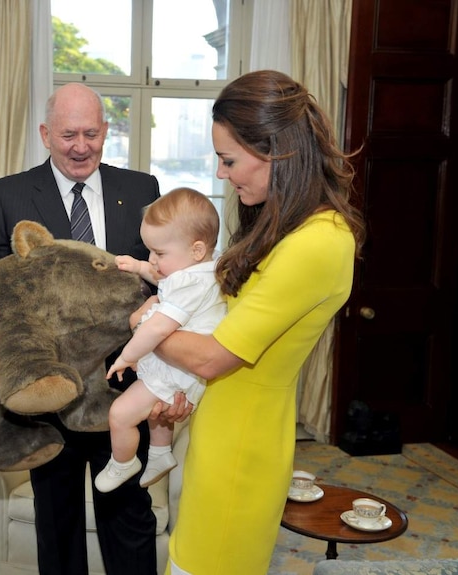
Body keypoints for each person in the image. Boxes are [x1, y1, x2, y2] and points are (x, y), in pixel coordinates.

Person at [150, 70, 366, 574]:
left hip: (241, 451)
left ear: (277, 151)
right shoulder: (289, 228)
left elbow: (211, 355)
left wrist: (147, 324)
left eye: (229, 160)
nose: (222, 174)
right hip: (220, 431)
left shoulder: (318, 242)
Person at [0, 82, 162, 575]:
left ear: (105, 132)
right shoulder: (7, 195)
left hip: (122, 384)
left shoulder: (140, 190)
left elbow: (167, 281)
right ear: (45, 134)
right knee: (55, 517)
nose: (81, 146)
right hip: (46, 390)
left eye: (92, 134)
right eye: (69, 134)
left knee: (128, 511)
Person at [95, 187, 225, 493]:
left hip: (178, 368)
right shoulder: (204, 268)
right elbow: (167, 280)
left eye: (159, 254)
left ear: (195, 249)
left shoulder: (189, 282)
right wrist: (141, 268)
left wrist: (126, 356)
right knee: (157, 413)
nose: (152, 259)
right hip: (185, 368)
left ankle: (123, 462)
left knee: (121, 414)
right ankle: (160, 453)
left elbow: (155, 330)